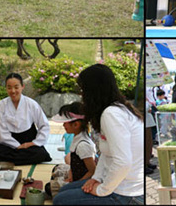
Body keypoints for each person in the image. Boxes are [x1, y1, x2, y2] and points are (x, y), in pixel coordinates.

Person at [53, 64, 143, 205]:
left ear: (93, 91)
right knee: (64, 191)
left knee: (60, 200)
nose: (81, 96)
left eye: (83, 90)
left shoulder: (111, 114)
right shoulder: (117, 109)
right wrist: (96, 178)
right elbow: (106, 155)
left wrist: (102, 189)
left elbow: (123, 162)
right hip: (113, 182)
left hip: (125, 192)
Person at [0, 73, 52, 165]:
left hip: (28, 143)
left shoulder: (31, 104)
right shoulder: (1, 105)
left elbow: (44, 125)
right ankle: (19, 158)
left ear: (22, 87)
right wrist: (17, 146)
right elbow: (1, 132)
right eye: (9, 87)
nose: (13, 91)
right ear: (6, 88)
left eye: (16, 87)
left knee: (40, 154)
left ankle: (7, 159)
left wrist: (31, 144)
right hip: (7, 144)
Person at [54, 102, 96, 183]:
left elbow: (92, 171)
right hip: (75, 177)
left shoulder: (83, 145)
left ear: (76, 124)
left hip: (82, 182)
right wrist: (70, 175)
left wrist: (75, 184)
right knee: (56, 169)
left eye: (65, 123)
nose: (63, 125)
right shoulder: (76, 138)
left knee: (52, 188)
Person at [145, 101, 156, 175]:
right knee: (146, 144)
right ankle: (145, 165)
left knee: (149, 144)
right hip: (145, 124)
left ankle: (147, 162)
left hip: (148, 123)